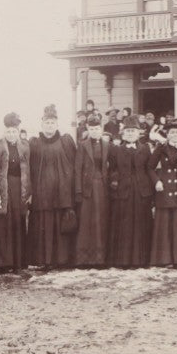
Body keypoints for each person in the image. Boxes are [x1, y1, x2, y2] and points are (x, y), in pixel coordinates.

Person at [28, 103, 77, 268]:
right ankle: (44, 259)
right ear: (42, 124)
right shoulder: (34, 143)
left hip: (60, 191)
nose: (49, 126)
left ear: (57, 124)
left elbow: (73, 165)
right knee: (44, 225)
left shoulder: (65, 141)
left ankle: (61, 259)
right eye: (47, 123)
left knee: (59, 224)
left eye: (52, 123)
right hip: (42, 191)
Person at [107, 115, 153, 267]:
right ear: (123, 133)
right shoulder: (116, 150)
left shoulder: (145, 149)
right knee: (124, 224)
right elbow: (112, 168)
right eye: (127, 131)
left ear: (139, 133)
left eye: (133, 131)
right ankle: (123, 260)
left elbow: (149, 169)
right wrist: (115, 180)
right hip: (123, 190)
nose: (130, 134)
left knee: (141, 222)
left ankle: (141, 260)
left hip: (141, 190)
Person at [150, 120, 177, 266]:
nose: (175, 135)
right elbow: (150, 167)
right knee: (165, 225)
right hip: (164, 190)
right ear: (167, 135)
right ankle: (164, 260)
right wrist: (157, 181)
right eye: (172, 132)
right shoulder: (160, 148)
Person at [0, 112, 30, 272]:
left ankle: (17, 262)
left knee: (18, 223)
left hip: (19, 188)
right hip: (3, 188)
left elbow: (29, 170)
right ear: (4, 131)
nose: (11, 134)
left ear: (18, 132)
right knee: (3, 224)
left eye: (14, 131)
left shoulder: (25, 146)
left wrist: (29, 192)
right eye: (8, 131)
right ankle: (2, 262)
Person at [73, 113, 111, 267]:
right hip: (88, 187)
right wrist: (78, 190)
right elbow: (77, 169)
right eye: (92, 128)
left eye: (97, 128)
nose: (95, 131)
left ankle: (100, 259)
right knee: (87, 222)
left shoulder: (107, 145)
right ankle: (85, 259)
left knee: (100, 220)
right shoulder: (82, 145)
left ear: (101, 128)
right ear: (88, 128)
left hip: (102, 187)